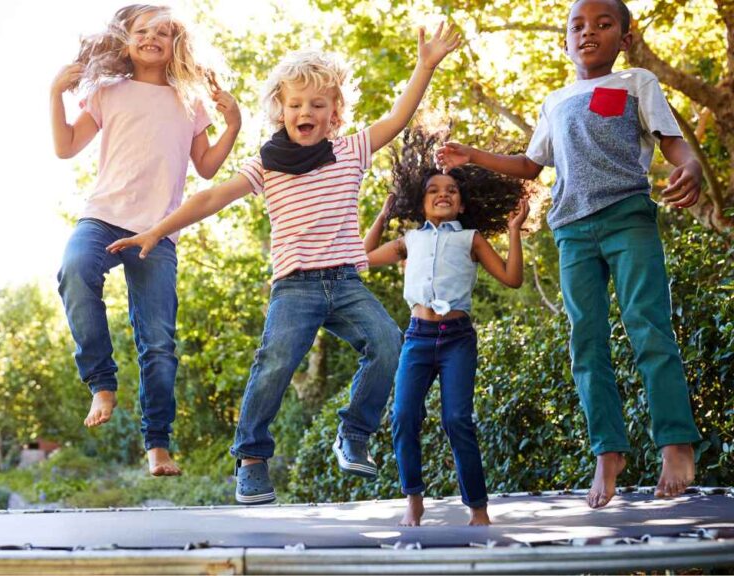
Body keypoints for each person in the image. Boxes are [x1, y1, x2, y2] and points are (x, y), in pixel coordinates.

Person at [106, 24, 461, 504]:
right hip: (295, 286)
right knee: (273, 364)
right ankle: (251, 458)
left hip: (345, 281)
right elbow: (212, 195)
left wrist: (425, 65)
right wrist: (156, 230)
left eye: (317, 105)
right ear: (280, 109)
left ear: (334, 112)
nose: (305, 112)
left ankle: (353, 434)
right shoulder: (266, 164)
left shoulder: (350, 149)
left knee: (387, 343)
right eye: (295, 105)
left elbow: (398, 118)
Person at [437, 0, 702, 508]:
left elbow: (674, 144)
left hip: (627, 217)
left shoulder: (637, 82)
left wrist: (688, 166)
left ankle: (675, 441)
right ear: (565, 39)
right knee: (586, 342)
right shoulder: (554, 101)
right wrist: (471, 155)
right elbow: (530, 164)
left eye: (604, 25)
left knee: (648, 325)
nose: (588, 34)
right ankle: (608, 452)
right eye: (577, 25)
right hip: (572, 232)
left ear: (624, 38)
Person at [51, 4, 241, 476]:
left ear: (177, 43)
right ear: (126, 38)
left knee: (158, 343)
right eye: (142, 31)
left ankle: (158, 445)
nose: (152, 38)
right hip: (103, 216)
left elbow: (208, 167)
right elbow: (65, 147)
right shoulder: (107, 91)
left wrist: (233, 123)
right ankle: (102, 382)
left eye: (163, 32)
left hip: (158, 230)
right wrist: (55, 91)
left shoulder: (189, 100)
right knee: (74, 270)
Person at [364, 128, 529, 526]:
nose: (443, 193)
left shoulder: (471, 238)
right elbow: (363, 257)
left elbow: (512, 279)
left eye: (452, 190)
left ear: (462, 202)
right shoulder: (409, 241)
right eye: (434, 189)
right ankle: (413, 499)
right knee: (403, 416)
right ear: (419, 202)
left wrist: (512, 232)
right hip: (417, 339)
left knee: (457, 420)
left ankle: (478, 509)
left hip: (457, 340)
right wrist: (383, 216)